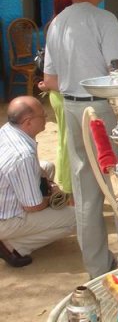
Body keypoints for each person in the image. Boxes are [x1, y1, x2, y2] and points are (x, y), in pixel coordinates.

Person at [42, 0, 118, 278]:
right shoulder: (103, 19)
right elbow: (116, 70)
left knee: (86, 190)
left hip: (73, 108)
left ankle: (97, 269)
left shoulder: (56, 24)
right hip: (105, 109)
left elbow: (50, 79)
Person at [0, 96, 76, 267]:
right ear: (28, 122)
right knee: (75, 217)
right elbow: (32, 206)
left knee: (47, 167)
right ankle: (13, 247)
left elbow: (37, 168)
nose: (46, 117)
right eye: (42, 115)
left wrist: (50, 185)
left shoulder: (8, 130)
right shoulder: (23, 155)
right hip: (5, 219)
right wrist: (54, 198)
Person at [37, 0, 74, 194]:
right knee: (68, 143)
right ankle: (68, 190)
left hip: (58, 91)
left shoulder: (56, 26)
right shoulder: (61, 28)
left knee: (66, 141)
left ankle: (70, 188)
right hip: (63, 92)